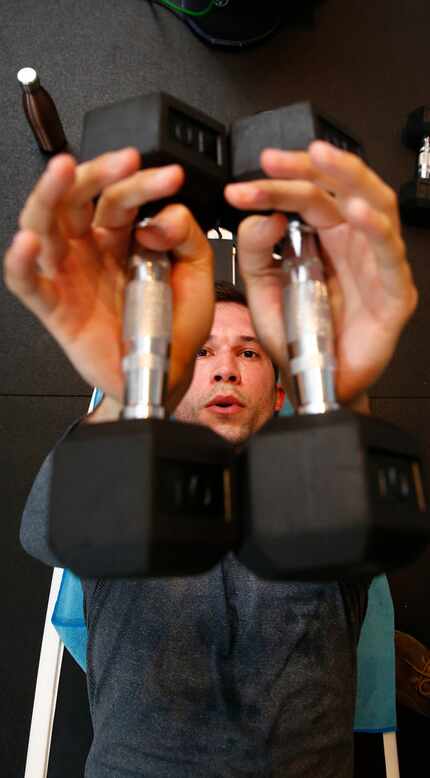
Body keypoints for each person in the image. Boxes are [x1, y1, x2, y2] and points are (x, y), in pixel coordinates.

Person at [4, 142, 417, 777]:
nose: (225, 365)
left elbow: (379, 516)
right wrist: (131, 387)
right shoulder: (123, 482)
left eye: (250, 353)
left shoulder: (318, 491)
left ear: (279, 391)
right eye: (202, 351)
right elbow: (43, 528)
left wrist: (333, 391)